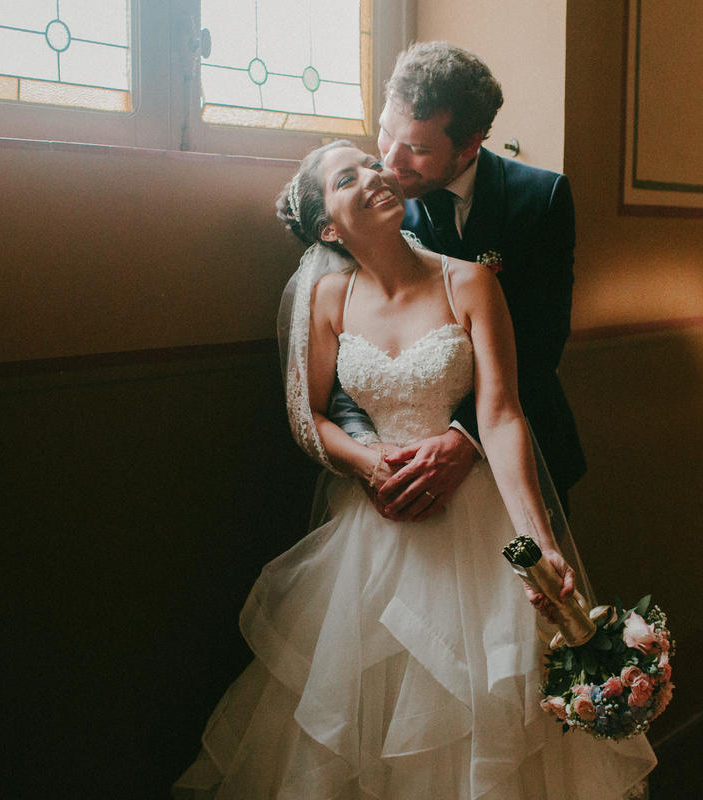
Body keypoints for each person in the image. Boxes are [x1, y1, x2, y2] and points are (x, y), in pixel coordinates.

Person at [173, 141, 655, 799]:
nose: (373, 174)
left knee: (489, 718)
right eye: (348, 177)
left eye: (372, 164)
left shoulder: (470, 282)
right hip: (374, 524)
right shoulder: (328, 300)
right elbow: (310, 417)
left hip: (478, 523)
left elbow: (504, 415)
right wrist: (374, 466)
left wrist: (539, 545)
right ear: (327, 226)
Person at [328, 42, 587, 523]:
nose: (390, 162)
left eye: (418, 149)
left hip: (524, 456)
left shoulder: (541, 200)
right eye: (387, 134)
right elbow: (344, 345)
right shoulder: (367, 208)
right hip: (401, 476)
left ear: (470, 144)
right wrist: (372, 458)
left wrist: (464, 439)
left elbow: (540, 343)